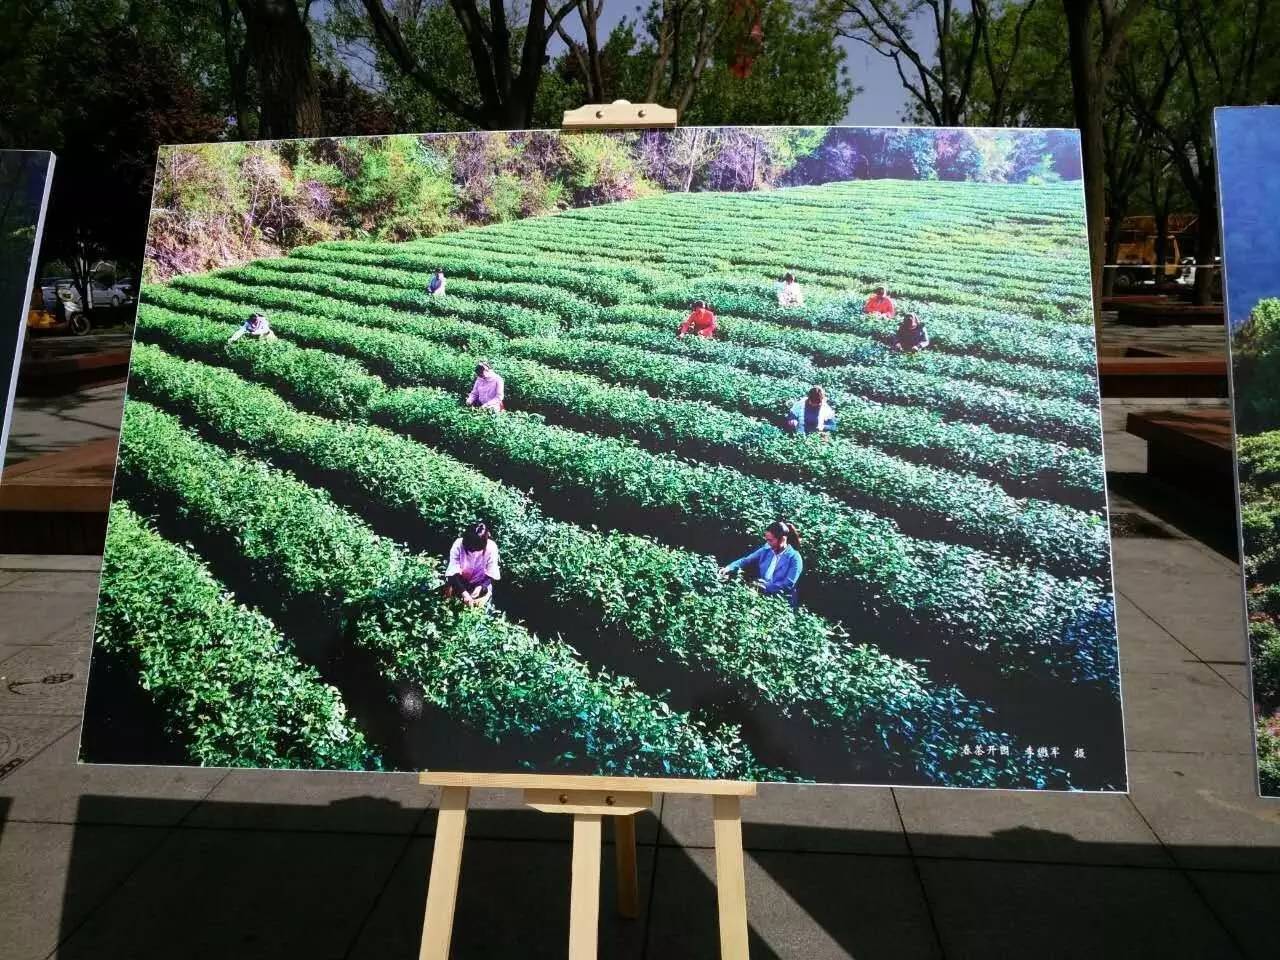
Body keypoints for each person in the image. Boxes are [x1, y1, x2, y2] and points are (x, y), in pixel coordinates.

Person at [719, 520, 804, 609]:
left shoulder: (795, 558)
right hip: (762, 594)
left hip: (782, 602)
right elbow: (746, 560)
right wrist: (729, 568)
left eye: (770, 540)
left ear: (783, 539)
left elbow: (787, 584)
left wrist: (763, 587)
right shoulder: (766, 549)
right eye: (767, 540)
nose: (768, 543)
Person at [443, 521, 501, 607]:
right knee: (448, 604)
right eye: (470, 549)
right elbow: (452, 573)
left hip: (481, 581)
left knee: (480, 607)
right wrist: (464, 593)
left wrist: (481, 586)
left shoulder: (492, 548)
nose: (472, 551)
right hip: (459, 581)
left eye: (476, 549)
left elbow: (492, 574)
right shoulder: (458, 544)